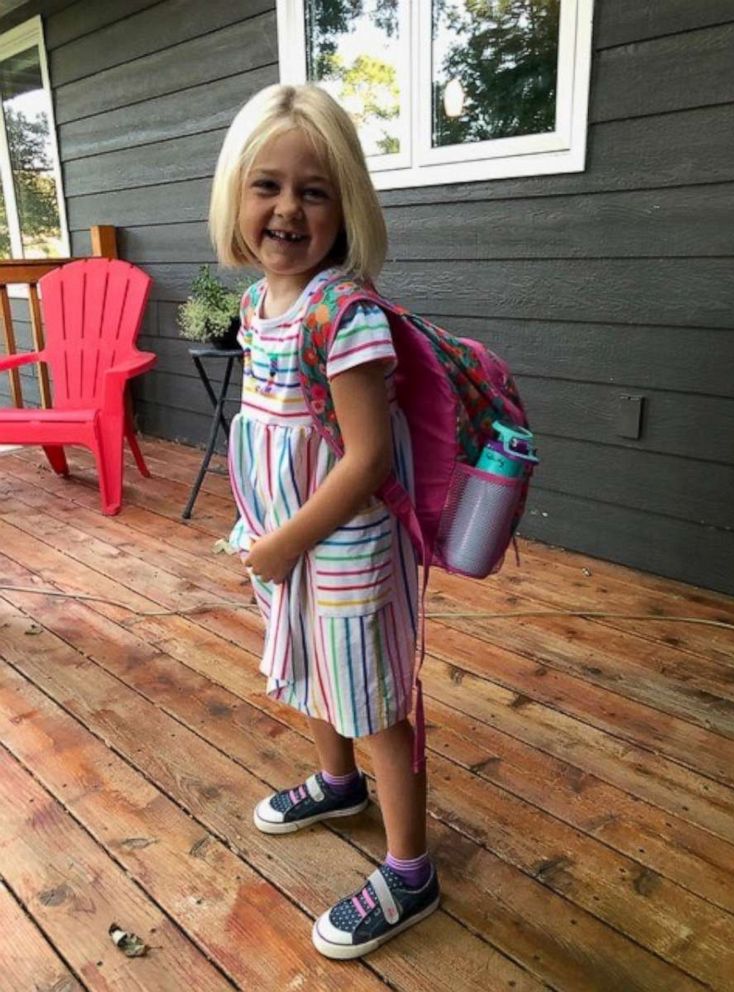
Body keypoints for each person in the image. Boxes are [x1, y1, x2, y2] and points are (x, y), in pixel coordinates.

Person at [208, 83, 439, 960]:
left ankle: (412, 869)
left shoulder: (343, 314)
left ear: (347, 206)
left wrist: (284, 541)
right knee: (311, 668)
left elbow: (368, 460)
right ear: (236, 195)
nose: (287, 209)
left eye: (314, 190)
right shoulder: (258, 306)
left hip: (337, 544)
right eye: (266, 185)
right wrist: (267, 534)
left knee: (374, 697)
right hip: (285, 540)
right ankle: (339, 783)